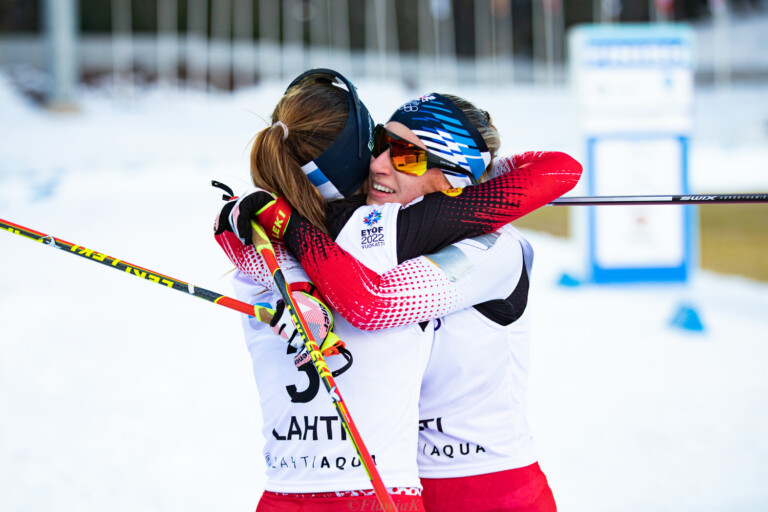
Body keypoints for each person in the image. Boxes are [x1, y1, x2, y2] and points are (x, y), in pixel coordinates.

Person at [217, 72, 582, 511]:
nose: (379, 164)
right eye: (380, 143)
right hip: (411, 482)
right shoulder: (367, 234)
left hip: (488, 488)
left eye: (407, 157)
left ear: (453, 178)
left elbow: (374, 303)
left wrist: (482, 173)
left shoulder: (491, 248)